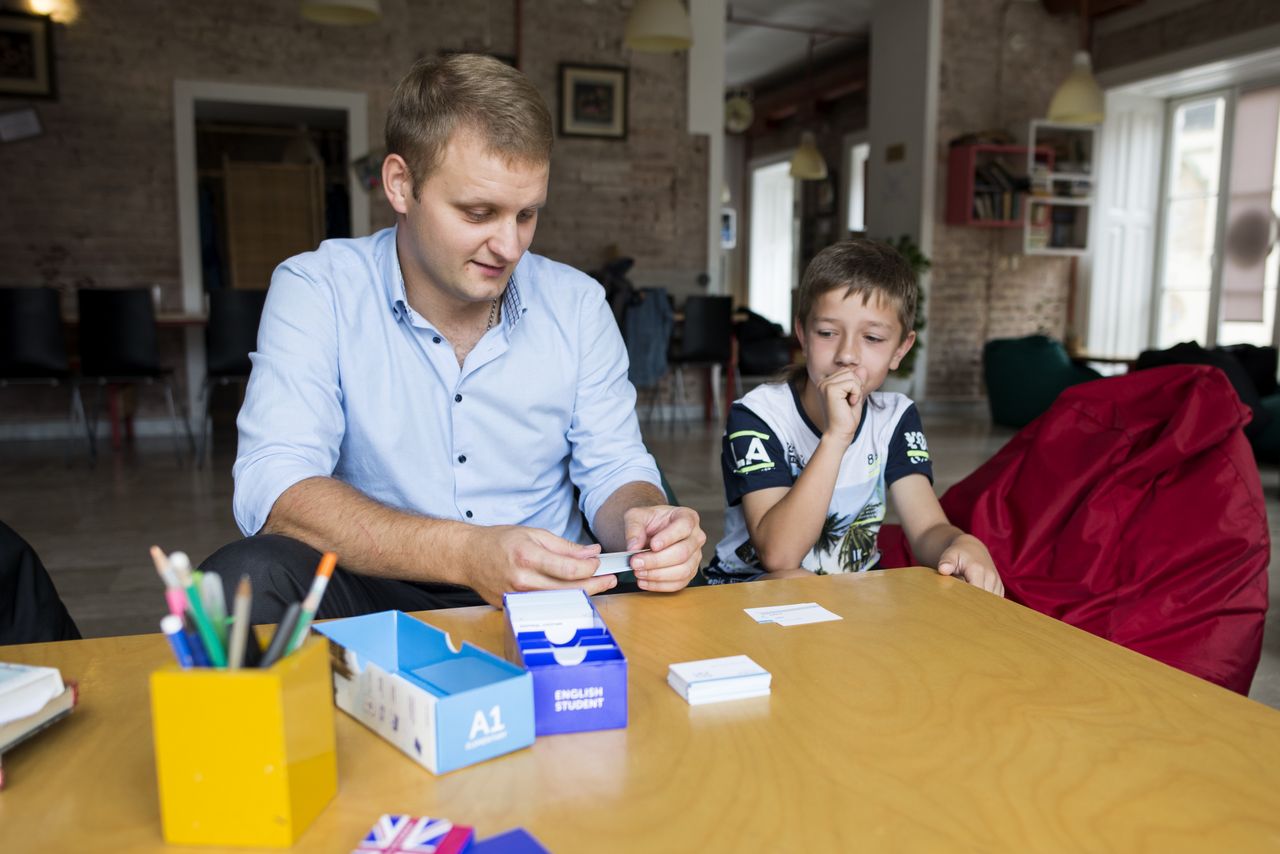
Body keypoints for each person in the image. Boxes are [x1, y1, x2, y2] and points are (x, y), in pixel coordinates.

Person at [203, 54, 705, 621]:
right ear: (401, 184)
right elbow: (275, 483)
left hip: (553, 584)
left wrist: (645, 518)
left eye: (526, 214)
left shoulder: (578, 302)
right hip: (377, 584)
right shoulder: (319, 287)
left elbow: (614, 466)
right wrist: (468, 555)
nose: (510, 247)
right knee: (237, 584)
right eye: (478, 212)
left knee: (680, 584)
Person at [704, 239, 1003, 595]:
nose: (847, 354)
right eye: (828, 333)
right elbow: (779, 556)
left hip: (852, 599)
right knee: (794, 581)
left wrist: (961, 543)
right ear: (802, 334)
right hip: (747, 592)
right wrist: (836, 438)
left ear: (900, 350)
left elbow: (926, 530)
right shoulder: (758, 416)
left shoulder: (895, 417)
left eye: (873, 338)